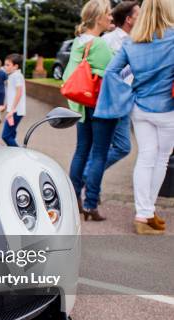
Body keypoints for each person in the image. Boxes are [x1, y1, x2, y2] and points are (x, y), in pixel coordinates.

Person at [95, 0, 174, 235]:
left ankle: (145, 214)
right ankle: (146, 213)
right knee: (160, 158)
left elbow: (111, 72)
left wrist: (127, 94)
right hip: (168, 110)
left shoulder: (132, 42)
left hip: (139, 109)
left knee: (146, 157)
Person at [63, 0, 116, 221]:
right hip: (101, 106)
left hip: (83, 106)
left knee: (81, 151)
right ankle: (91, 204)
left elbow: (68, 74)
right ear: (98, 18)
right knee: (99, 154)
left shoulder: (79, 42)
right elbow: (116, 72)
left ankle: (73, 199)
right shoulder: (100, 44)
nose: (111, 18)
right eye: (108, 14)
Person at [83, 1, 140, 185]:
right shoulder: (108, 40)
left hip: (127, 101)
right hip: (110, 101)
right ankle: (88, 179)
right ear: (129, 19)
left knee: (120, 148)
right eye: (139, 15)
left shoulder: (139, 40)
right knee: (107, 148)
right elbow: (103, 71)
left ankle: (88, 177)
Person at [0, 54, 26, 147]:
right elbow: (12, 94)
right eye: (5, 65)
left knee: (6, 136)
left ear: (15, 66)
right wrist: (6, 106)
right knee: (11, 135)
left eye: (7, 65)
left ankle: (19, 153)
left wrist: (12, 110)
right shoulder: (12, 75)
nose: (5, 67)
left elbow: (19, 92)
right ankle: (14, 154)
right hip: (14, 110)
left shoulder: (17, 76)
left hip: (15, 112)